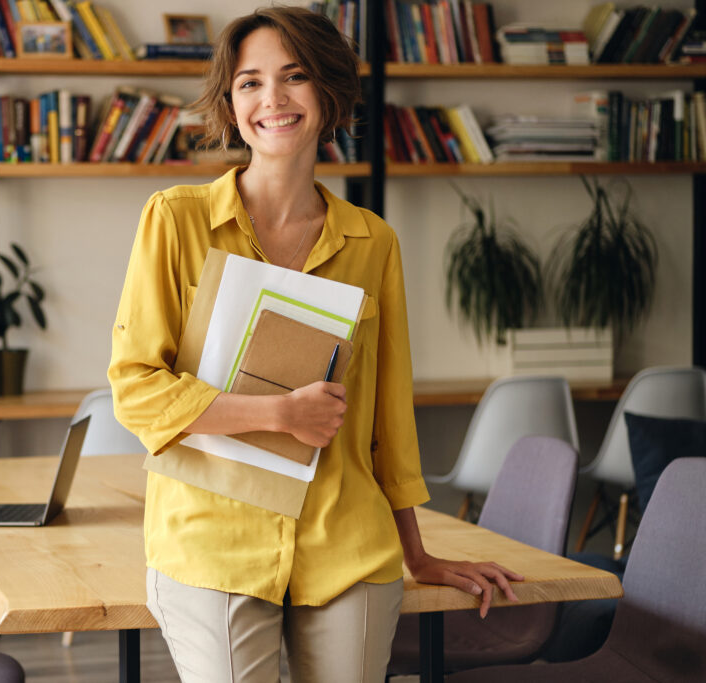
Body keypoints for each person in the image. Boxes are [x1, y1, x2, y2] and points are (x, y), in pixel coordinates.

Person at [108, 7, 522, 682]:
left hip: (347, 541)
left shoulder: (371, 241)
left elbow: (387, 423)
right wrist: (277, 414)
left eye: (293, 76)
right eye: (249, 82)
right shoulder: (175, 220)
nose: (271, 98)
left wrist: (417, 555)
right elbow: (136, 388)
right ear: (230, 102)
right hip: (212, 540)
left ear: (328, 94)